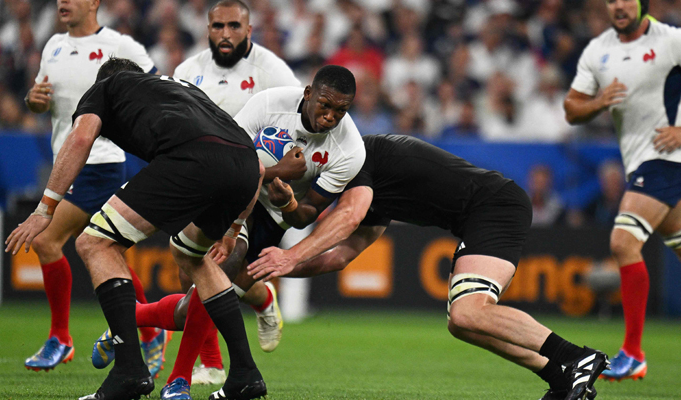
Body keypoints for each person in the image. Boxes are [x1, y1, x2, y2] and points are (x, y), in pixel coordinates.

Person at [247, 134, 610, 400]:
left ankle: (578, 357)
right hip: (479, 216)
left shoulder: (358, 160)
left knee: (470, 311)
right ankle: (559, 377)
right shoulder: (370, 186)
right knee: (461, 323)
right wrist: (270, 269)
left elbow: (347, 217)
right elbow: (339, 257)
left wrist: (289, 256)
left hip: (495, 206)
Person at [6, 57, 267, 400]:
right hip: (246, 165)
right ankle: (245, 373)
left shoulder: (108, 86)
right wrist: (233, 231)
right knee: (194, 257)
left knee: (94, 242)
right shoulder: (182, 88)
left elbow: (81, 139)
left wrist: (45, 209)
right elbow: (259, 168)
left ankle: (129, 369)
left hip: (194, 159)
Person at [180, 64, 363, 400]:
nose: (330, 117)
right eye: (325, 105)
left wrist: (291, 204)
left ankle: (156, 348)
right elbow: (225, 161)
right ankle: (258, 303)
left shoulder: (350, 150)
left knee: (203, 291)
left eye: (341, 110)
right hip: (234, 191)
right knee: (192, 279)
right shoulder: (269, 104)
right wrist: (278, 171)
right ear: (308, 93)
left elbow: (306, 215)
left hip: (273, 216)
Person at [22, 0, 165, 375]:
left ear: (94, 3)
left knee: (46, 240)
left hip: (100, 163)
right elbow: (44, 102)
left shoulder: (121, 45)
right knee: (107, 250)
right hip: (67, 162)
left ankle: (61, 338)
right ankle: (150, 331)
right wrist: (33, 101)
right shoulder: (52, 44)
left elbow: (158, 89)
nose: (62, 3)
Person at [166, 0, 301, 388]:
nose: (225, 34)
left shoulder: (272, 71)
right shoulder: (187, 72)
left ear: (249, 30)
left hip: (255, 188)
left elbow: (294, 126)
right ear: (208, 28)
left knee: (209, 271)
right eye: (218, 26)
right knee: (190, 274)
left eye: (234, 27)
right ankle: (260, 299)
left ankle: (207, 364)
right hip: (202, 184)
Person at [563, 0, 681, 382]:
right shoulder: (599, 50)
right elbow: (571, 107)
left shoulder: (671, 40)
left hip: (666, 157)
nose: (620, 5)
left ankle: (633, 353)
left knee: (623, 242)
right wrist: (598, 101)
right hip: (641, 163)